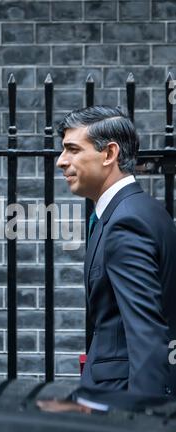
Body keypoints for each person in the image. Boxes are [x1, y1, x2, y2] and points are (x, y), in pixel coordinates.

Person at [46, 106, 176, 400]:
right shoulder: (143, 211)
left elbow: (148, 334)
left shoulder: (126, 223)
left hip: (118, 402)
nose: (61, 162)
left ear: (109, 154)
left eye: (72, 149)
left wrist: (142, 421)